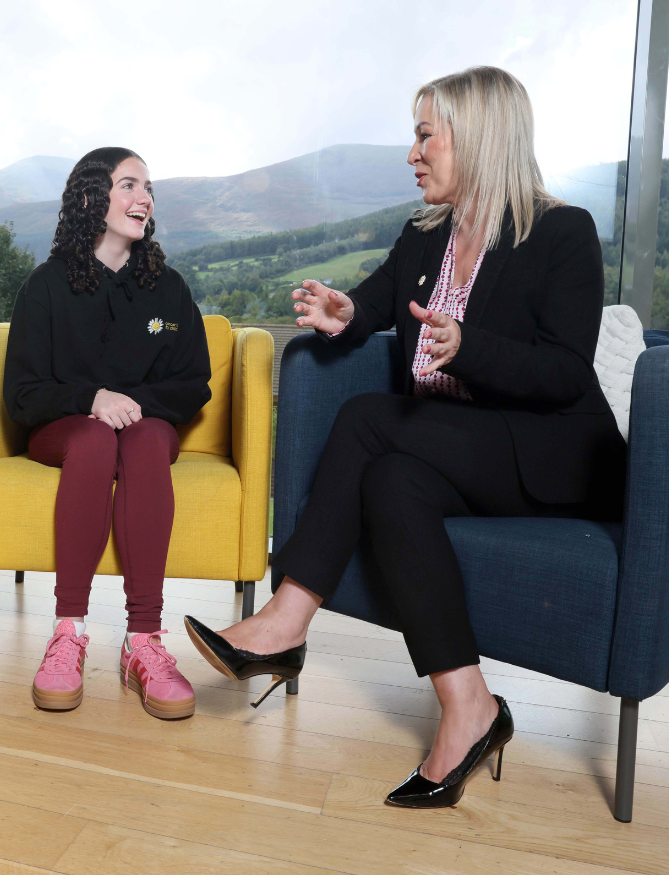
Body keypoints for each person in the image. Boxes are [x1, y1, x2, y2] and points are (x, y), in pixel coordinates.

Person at [184, 66, 625, 807]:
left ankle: (286, 620)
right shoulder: (425, 237)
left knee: (364, 419)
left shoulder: (561, 232)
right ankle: (469, 705)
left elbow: (562, 372)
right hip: (457, 449)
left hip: (551, 452)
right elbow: (374, 301)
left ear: (478, 137)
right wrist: (339, 311)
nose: (412, 152)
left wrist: (470, 345)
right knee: (389, 479)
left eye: (425, 135)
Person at [3, 147, 211, 720]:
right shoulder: (44, 286)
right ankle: (68, 632)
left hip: (145, 427)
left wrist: (132, 404)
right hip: (64, 428)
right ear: (92, 198)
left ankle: (143, 642)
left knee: (141, 439)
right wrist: (91, 401)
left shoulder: (168, 289)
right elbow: (22, 394)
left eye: (148, 188)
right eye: (129, 185)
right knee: (95, 439)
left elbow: (194, 383)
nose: (144, 198)